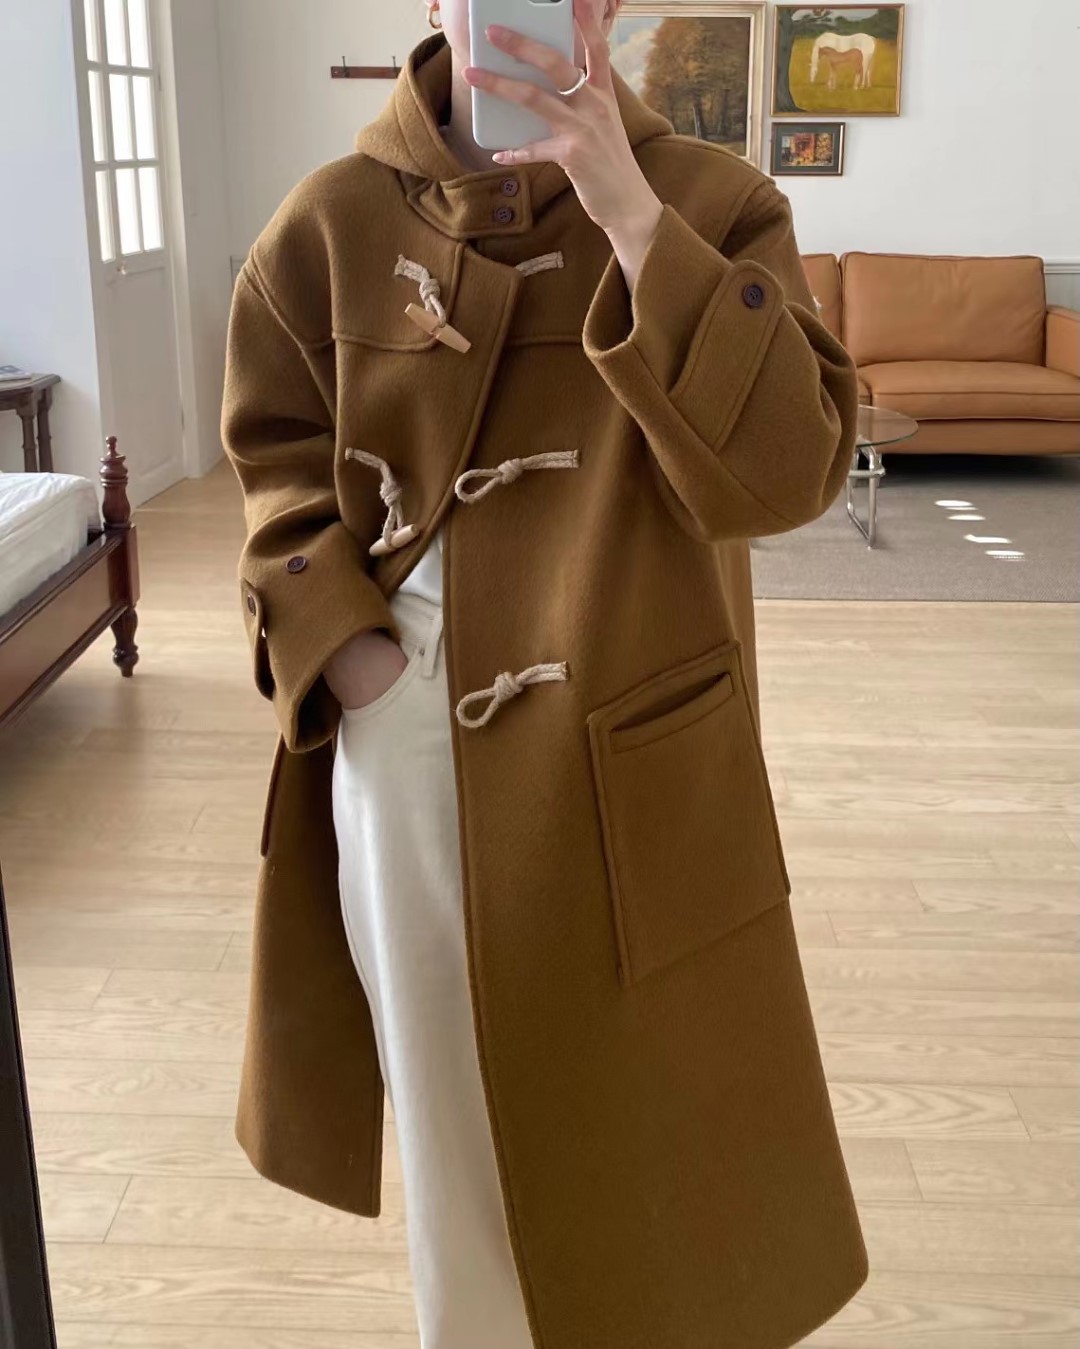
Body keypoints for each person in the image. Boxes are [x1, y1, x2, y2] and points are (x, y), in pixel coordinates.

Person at [220, 1, 869, 1346]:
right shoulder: (326, 223)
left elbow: (790, 475)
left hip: (645, 733)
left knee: (663, 1121)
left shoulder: (716, 203)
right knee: (454, 1117)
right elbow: (277, 468)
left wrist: (632, 214)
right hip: (407, 742)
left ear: (611, 7)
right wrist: (360, 664)